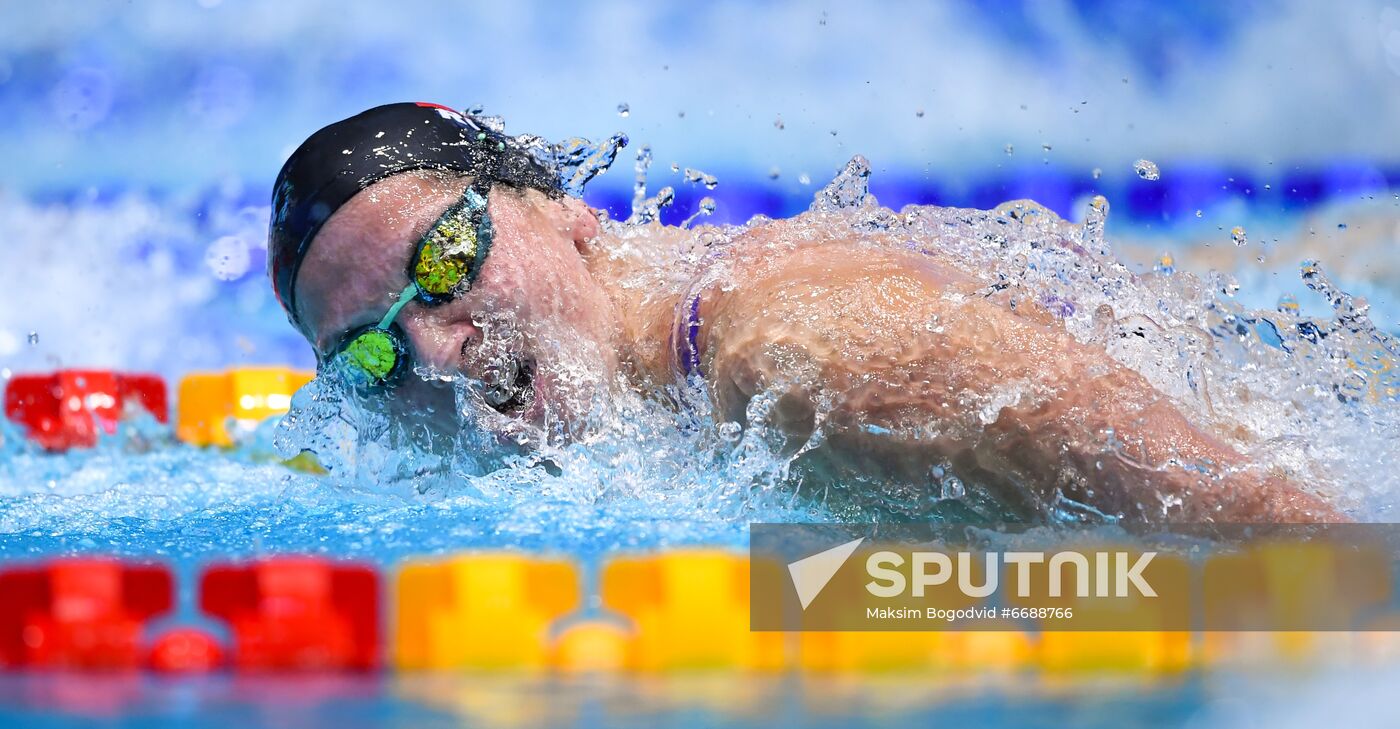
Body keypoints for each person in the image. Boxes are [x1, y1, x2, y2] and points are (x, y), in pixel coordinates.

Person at [268, 102, 1339, 523]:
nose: (436, 353)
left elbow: (1305, 556)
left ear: (563, 210)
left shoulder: (810, 364)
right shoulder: (631, 389)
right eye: (370, 357)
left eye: (445, 259)